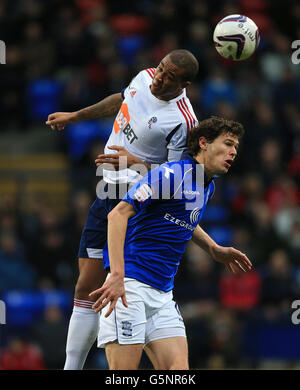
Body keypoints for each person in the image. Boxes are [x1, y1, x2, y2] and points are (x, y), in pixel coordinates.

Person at [45, 49, 199, 369]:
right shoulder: (143, 77)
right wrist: (75, 116)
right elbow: (121, 99)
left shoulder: (183, 121)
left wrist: (136, 163)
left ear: (183, 84)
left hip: (137, 202)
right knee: (85, 285)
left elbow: (174, 180)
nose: (159, 78)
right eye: (160, 69)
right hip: (107, 187)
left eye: (169, 76)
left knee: (122, 288)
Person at [89, 116, 252, 370]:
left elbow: (184, 218)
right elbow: (117, 214)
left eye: (236, 148)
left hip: (163, 294)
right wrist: (117, 275)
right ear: (203, 143)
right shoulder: (172, 174)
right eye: (228, 143)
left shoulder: (206, 186)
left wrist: (213, 248)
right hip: (130, 286)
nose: (233, 152)